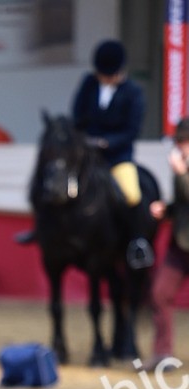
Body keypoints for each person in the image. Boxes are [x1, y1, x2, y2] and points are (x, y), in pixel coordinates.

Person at [72, 39, 152, 268]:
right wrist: (87, 139)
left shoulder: (133, 92)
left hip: (117, 156)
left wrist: (107, 142)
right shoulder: (88, 84)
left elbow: (132, 130)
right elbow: (77, 115)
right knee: (60, 184)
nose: (105, 79)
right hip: (88, 154)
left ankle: (137, 244)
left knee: (132, 194)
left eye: (109, 75)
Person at [142, 117, 189, 370]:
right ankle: (163, 355)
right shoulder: (182, 167)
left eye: (185, 142)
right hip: (181, 244)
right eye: (180, 141)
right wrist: (167, 209)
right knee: (160, 294)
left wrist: (181, 174)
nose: (181, 147)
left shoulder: (182, 169)